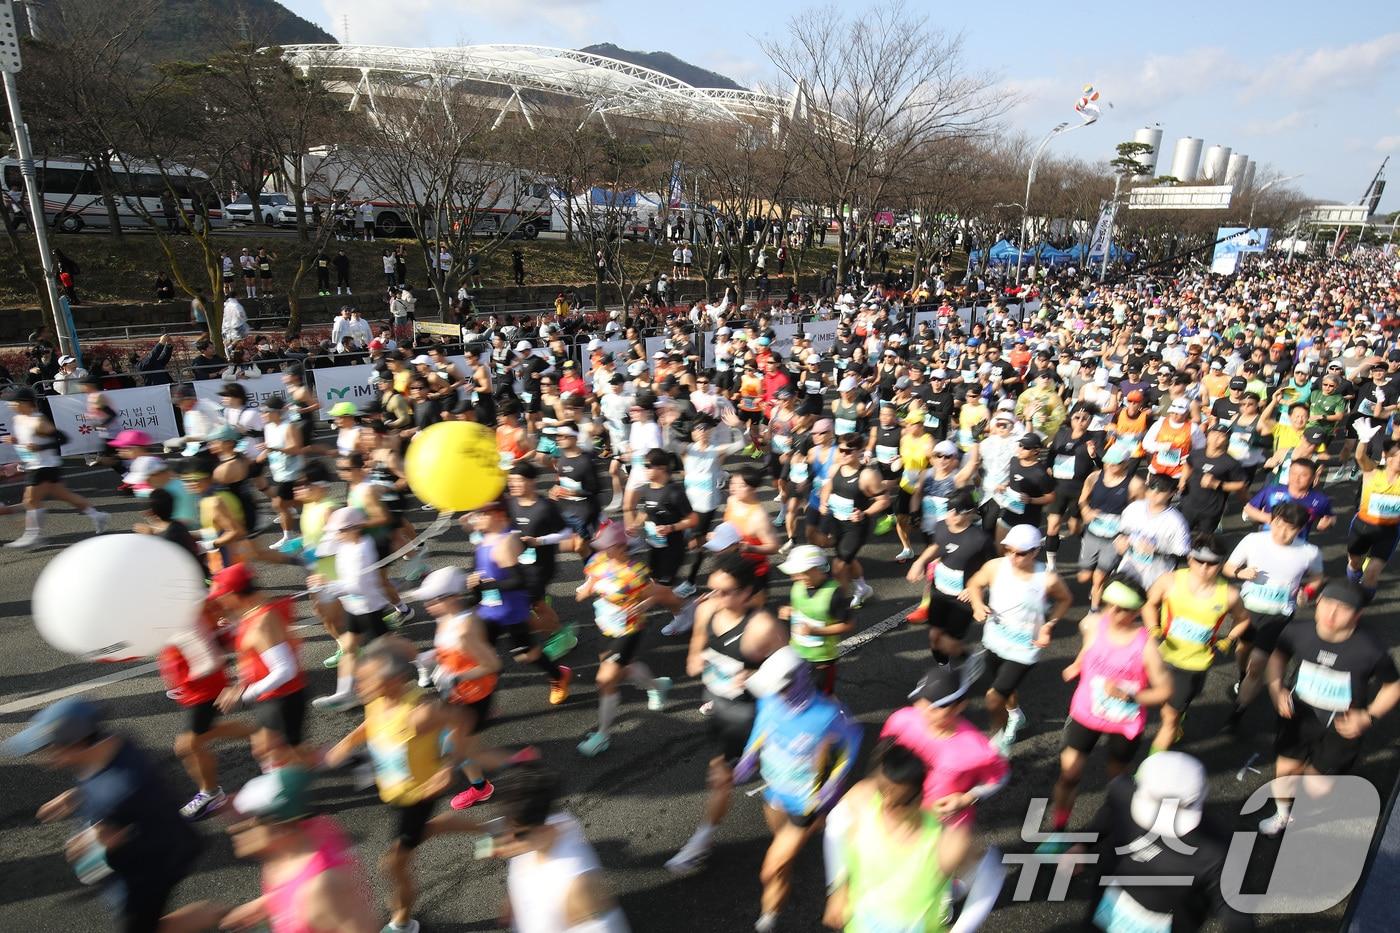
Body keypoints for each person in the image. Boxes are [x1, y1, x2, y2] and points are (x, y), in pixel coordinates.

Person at [322, 638, 483, 933]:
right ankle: (490, 829)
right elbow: (370, 723)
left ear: (394, 681)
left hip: (419, 794)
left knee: (393, 863)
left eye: (367, 680)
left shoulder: (419, 713)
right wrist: (347, 741)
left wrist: (448, 764)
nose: (360, 685)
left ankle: (403, 922)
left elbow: (463, 719)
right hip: (394, 791)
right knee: (425, 831)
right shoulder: (376, 700)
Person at [6, 698, 203, 933]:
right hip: (157, 843)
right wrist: (76, 795)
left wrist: (85, 843)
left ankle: (221, 917)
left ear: (75, 743)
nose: (46, 758)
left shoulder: (118, 792)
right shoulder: (115, 745)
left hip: (151, 868)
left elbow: (110, 836)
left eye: (50, 749)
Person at [667, 552, 787, 874]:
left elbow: (792, 680)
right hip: (721, 706)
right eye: (711, 589)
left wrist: (756, 678)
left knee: (723, 776)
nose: (715, 597)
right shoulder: (707, 607)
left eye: (726, 591)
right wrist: (696, 660)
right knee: (737, 772)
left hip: (751, 715)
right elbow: (697, 644)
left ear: (749, 592)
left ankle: (703, 844)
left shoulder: (764, 628)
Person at [734, 647, 862, 932]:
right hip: (775, 791)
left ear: (798, 682)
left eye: (781, 688)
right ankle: (794, 857)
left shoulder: (827, 714)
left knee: (771, 869)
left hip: (806, 801)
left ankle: (769, 917)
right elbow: (762, 728)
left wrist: (833, 783)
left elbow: (852, 743)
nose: (775, 694)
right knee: (780, 845)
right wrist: (748, 756)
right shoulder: (769, 700)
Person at [1258, 580, 1400, 836]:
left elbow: (1393, 686)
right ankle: (1281, 815)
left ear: (1358, 615)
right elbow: (1278, 658)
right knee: (1286, 770)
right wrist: (1276, 688)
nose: (1331, 614)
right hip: (1299, 716)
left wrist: (1368, 717)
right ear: (1318, 602)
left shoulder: (1370, 650)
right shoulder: (1297, 632)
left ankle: (1307, 796)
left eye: (1343, 608)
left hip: (1342, 726)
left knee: (1316, 788)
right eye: (1328, 604)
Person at [1044, 574, 1170, 846]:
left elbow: (1164, 690)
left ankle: (1109, 829)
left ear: (1137, 611)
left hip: (1123, 722)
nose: (1112, 612)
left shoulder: (1146, 646)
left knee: (1117, 783)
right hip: (1086, 712)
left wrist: (1129, 693)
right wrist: (1076, 666)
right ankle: (1058, 830)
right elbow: (1088, 649)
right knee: (1069, 775)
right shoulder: (1094, 624)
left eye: (1122, 608)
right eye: (1109, 604)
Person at [1072, 751, 1255, 932]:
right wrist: (1083, 844)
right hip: (1104, 911)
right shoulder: (1121, 793)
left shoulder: (1219, 851)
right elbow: (1108, 813)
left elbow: (1235, 913)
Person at [220, 767, 379, 933]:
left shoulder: (322, 888)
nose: (233, 829)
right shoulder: (283, 850)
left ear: (279, 827)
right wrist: (264, 904)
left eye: (245, 820)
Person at [574, 519, 681, 756]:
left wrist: (643, 605)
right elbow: (590, 582)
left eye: (607, 545)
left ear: (621, 546)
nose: (602, 549)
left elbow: (658, 594)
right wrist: (584, 591)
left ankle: (602, 735)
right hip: (605, 627)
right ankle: (657, 686)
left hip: (629, 630)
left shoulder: (636, 572)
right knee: (625, 670)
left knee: (606, 679)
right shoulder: (598, 561)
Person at [964, 524, 1072, 754]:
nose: (1013, 557)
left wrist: (1049, 625)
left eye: (1020, 552)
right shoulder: (995, 567)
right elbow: (974, 583)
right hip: (994, 639)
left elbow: (1065, 599)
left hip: (1024, 647)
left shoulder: (1047, 578)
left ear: (1035, 551)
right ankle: (1015, 715)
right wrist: (977, 604)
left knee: (993, 697)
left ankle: (998, 736)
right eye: (1008, 550)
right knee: (1004, 689)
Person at [495, 761, 632, 933]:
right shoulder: (535, 823)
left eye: (519, 834)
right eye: (506, 827)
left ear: (546, 828)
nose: (508, 840)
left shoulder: (578, 887)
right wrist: (514, 899)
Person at [1224, 502, 1326, 729]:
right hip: (1248, 609)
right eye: (1279, 524)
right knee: (1243, 650)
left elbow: (1318, 578)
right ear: (1273, 521)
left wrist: (1307, 592)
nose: (1282, 532)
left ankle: (1237, 715)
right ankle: (1243, 675)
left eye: (1291, 528)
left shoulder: (1309, 552)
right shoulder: (1253, 540)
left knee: (1258, 664)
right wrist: (1242, 572)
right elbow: (1228, 568)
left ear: (1300, 529)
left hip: (1279, 615)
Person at [1142, 539, 1249, 752]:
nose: (1204, 568)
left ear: (1220, 565)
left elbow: (1243, 619)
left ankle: (1148, 770)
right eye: (1199, 561)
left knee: (1168, 718)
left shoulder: (1229, 594)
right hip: (1159, 656)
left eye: (1211, 564)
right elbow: (1149, 605)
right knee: (1156, 708)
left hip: (1194, 665)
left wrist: (1228, 639)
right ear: (1190, 559)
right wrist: (1153, 629)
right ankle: (1177, 719)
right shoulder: (1169, 581)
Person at [209, 563, 309, 768]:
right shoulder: (251, 613)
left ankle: (281, 793)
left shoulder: (262, 622)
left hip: (283, 697)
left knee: (278, 755)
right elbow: (255, 646)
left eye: (220, 595)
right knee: (274, 751)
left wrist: (245, 693)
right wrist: (235, 627)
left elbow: (285, 669)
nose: (218, 600)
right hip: (272, 695)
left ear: (233, 594)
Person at [309, 507, 394, 713]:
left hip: (369, 608)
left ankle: (420, 664)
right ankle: (345, 693)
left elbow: (357, 586)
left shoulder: (363, 550)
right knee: (348, 647)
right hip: (354, 608)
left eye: (340, 531)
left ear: (354, 529)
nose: (336, 535)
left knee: (388, 651)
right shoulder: (345, 545)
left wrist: (326, 584)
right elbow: (324, 551)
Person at [3, 385, 110, 548]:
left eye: (14, 402)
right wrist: (17, 441)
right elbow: (28, 442)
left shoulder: (38, 421)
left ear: (25, 403)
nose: (11, 405)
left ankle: (33, 535)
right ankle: (97, 515)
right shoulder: (18, 419)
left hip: (45, 465)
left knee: (30, 499)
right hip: (35, 463)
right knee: (64, 496)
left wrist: (41, 448)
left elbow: (63, 439)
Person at [905, 488, 994, 662]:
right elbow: (937, 546)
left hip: (963, 599)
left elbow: (994, 567)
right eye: (948, 510)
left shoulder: (980, 540)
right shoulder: (941, 527)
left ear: (969, 513)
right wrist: (919, 562)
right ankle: (943, 670)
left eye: (955, 512)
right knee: (934, 637)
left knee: (947, 643)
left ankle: (968, 658)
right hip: (939, 592)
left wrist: (977, 588)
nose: (950, 516)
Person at [779, 545, 854, 694]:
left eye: (802, 573)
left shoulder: (834, 594)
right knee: (798, 691)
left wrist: (817, 631)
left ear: (819, 569)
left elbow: (848, 625)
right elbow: (801, 607)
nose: (796, 577)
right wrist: (790, 610)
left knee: (823, 696)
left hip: (822, 659)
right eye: (795, 574)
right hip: (797, 651)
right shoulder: (798, 586)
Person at [1345, 425, 1400, 602]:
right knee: (1354, 564)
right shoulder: (1372, 471)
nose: (1398, 459)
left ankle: (1359, 603)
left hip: (1388, 531)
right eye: (1395, 455)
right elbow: (1360, 456)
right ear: (1386, 456)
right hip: (1362, 527)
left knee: (1372, 573)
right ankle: (1353, 583)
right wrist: (1364, 440)